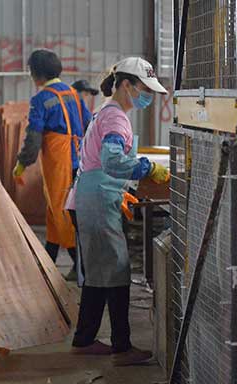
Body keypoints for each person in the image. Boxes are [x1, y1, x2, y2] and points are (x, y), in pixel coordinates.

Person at [70, 57, 169, 366]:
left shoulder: (107, 111)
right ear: (126, 85)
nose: (148, 96)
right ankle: (121, 348)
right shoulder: (115, 118)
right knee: (115, 272)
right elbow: (112, 160)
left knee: (100, 273)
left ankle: (84, 339)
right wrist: (148, 168)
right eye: (144, 89)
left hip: (93, 195)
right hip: (98, 198)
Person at [14, 49, 91, 282]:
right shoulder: (73, 93)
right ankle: (49, 259)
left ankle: (82, 267)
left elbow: (34, 137)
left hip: (59, 163)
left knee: (61, 211)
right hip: (78, 159)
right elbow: (88, 123)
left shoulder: (40, 100)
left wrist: (22, 163)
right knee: (55, 210)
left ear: (36, 73)